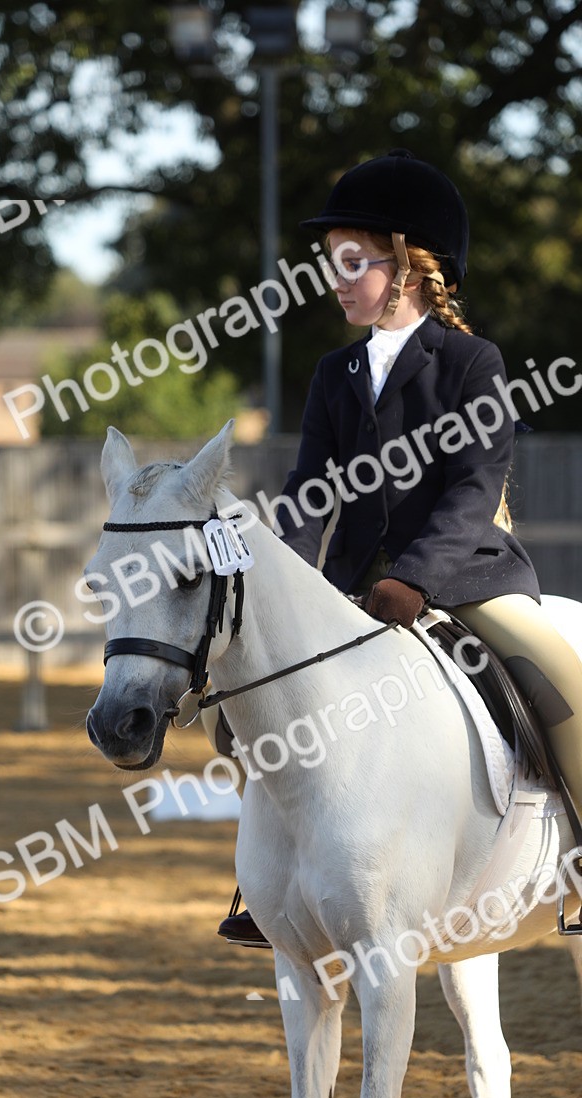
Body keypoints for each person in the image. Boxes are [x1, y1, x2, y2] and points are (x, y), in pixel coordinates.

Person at [217, 148, 582, 947]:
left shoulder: (472, 363)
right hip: (356, 590)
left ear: (411, 266)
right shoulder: (333, 373)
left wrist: (414, 578)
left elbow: (473, 490)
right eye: (332, 263)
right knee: (266, 696)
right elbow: (311, 496)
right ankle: (264, 888)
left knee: (563, 678)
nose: (337, 279)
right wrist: (278, 594)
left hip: (469, 580)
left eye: (353, 262)